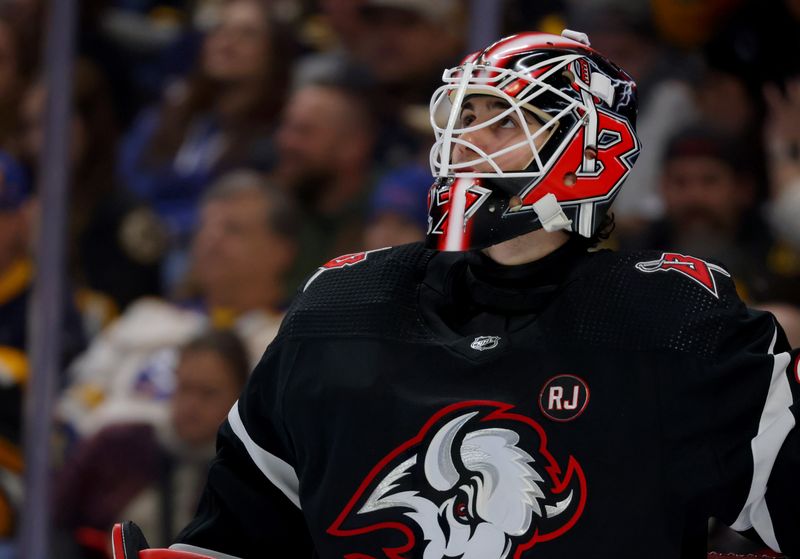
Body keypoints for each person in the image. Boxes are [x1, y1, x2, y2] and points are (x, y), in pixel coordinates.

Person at [113, 30, 800, 559]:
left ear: (588, 150)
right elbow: (243, 528)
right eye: (463, 117)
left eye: (503, 122)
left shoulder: (675, 321)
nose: (467, 143)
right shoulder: (342, 305)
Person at [54, 329, 250, 558]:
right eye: (185, 388)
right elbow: (51, 523)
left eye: (208, 393)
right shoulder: (115, 445)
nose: (191, 405)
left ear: (240, 396)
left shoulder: (245, 474)